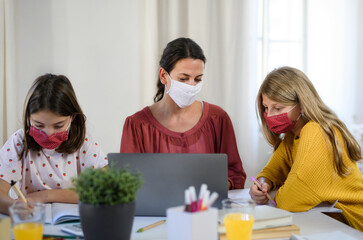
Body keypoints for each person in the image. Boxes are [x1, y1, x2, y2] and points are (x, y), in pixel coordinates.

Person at [120, 37, 246, 189]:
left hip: (206, 210)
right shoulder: (137, 125)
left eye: (198, 79)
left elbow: (235, 174)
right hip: (155, 213)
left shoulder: (218, 119)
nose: (191, 86)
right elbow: (127, 183)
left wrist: (213, 187)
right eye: (183, 79)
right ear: (163, 76)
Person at [250, 66, 363, 231]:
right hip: (331, 224)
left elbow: (289, 200)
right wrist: (262, 184)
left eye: (278, 108)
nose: (270, 116)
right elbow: (271, 171)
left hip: (353, 226)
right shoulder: (292, 136)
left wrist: (279, 191)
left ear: (302, 105)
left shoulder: (316, 131)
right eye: (266, 108)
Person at [0, 74, 108, 215]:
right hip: (33, 221)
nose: (49, 134)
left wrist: (45, 196)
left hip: (73, 223)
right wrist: (15, 207)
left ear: (72, 118)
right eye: (38, 125)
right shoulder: (19, 143)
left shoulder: (83, 143)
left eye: (58, 126)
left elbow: (105, 188)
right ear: (28, 117)